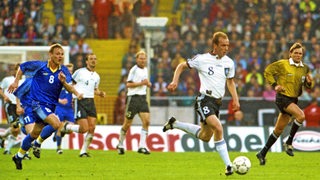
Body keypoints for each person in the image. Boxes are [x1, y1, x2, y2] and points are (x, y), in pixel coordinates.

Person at [163, 32, 240, 176]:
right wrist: (175, 81)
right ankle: (229, 165)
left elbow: (230, 81)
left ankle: (175, 124)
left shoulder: (229, 62)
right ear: (215, 45)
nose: (226, 48)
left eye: (227, 45)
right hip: (204, 100)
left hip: (217, 103)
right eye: (223, 45)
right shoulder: (202, 59)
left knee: (205, 136)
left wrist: (235, 99)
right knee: (218, 128)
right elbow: (181, 66)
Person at [9, 43, 82, 170]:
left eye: (62, 54)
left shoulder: (63, 70)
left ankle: (18, 156)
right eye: (57, 54)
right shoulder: (40, 66)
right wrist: (16, 80)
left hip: (50, 106)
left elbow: (68, 86)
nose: (60, 56)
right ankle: (37, 144)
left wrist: (74, 91)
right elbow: (22, 66)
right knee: (56, 124)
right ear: (51, 55)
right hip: (37, 104)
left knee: (34, 133)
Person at [256, 42, 314, 165]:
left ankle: (262, 153)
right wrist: (275, 85)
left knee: (278, 130)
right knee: (301, 116)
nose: (298, 55)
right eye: (296, 53)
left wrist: (309, 83)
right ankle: (289, 142)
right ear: (290, 53)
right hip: (282, 98)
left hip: (293, 99)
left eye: (300, 53)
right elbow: (268, 71)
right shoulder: (283, 64)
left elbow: (308, 86)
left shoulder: (305, 68)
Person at [62, 53, 106, 157]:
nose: (93, 61)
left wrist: (100, 93)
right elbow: (70, 85)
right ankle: (67, 127)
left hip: (90, 101)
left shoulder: (97, 76)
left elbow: (94, 89)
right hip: (80, 100)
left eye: (95, 59)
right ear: (86, 61)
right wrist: (74, 96)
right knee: (84, 128)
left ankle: (84, 151)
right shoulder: (79, 72)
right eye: (91, 59)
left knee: (92, 128)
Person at [116, 50, 152, 155]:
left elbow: (144, 82)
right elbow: (128, 84)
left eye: (144, 58)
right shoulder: (134, 70)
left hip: (142, 98)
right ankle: (120, 144)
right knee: (127, 124)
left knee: (147, 122)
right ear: (137, 59)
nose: (142, 60)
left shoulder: (145, 69)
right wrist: (142, 83)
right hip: (133, 99)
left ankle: (142, 146)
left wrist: (147, 84)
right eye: (140, 58)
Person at [0, 63, 23, 155]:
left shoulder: (25, 81)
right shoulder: (7, 80)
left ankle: (3, 138)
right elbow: (0, 89)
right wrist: (4, 96)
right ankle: (7, 148)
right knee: (15, 126)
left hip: (21, 106)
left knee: (16, 129)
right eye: (16, 70)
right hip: (10, 105)